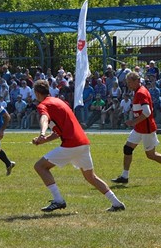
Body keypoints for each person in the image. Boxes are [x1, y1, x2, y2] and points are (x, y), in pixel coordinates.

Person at [31, 80, 125, 213]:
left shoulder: (43, 105)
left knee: (40, 166)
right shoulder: (59, 101)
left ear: (36, 93)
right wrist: (44, 139)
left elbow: (44, 118)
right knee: (90, 177)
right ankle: (116, 203)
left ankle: (58, 200)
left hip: (71, 144)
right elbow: (58, 132)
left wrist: (42, 133)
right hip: (83, 143)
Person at [112, 72, 161, 184]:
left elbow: (147, 112)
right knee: (127, 149)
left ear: (137, 81)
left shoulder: (141, 93)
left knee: (151, 155)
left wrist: (133, 122)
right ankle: (124, 176)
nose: (128, 85)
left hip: (146, 128)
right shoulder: (137, 91)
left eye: (130, 82)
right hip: (139, 127)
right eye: (127, 82)